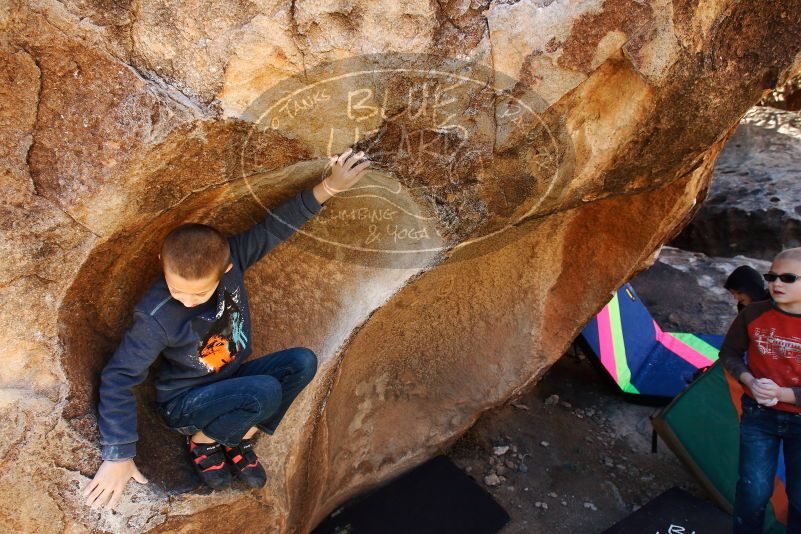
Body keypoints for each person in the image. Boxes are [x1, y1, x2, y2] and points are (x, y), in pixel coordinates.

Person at [83, 149, 371, 509]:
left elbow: (274, 228)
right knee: (263, 391)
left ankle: (239, 437)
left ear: (224, 270)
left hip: (231, 382)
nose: (187, 301)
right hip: (184, 404)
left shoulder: (233, 262)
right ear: (162, 263)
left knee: (302, 362)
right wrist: (119, 453)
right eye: (177, 290)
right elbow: (118, 376)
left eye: (199, 292)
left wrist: (330, 186)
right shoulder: (155, 317)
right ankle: (204, 441)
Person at [720, 248, 801, 533]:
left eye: (788, 278)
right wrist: (749, 380)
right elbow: (729, 354)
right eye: (772, 277)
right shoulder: (753, 313)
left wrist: (783, 394)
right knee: (752, 493)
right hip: (759, 414)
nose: (777, 284)